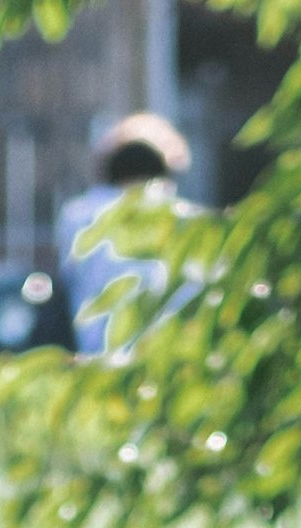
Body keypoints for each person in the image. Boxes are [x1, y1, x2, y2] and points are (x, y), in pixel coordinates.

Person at [57, 112, 193, 358]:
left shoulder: (76, 216)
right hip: (170, 365)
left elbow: (69, 278)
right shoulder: (186, 219)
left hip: (96, 364)